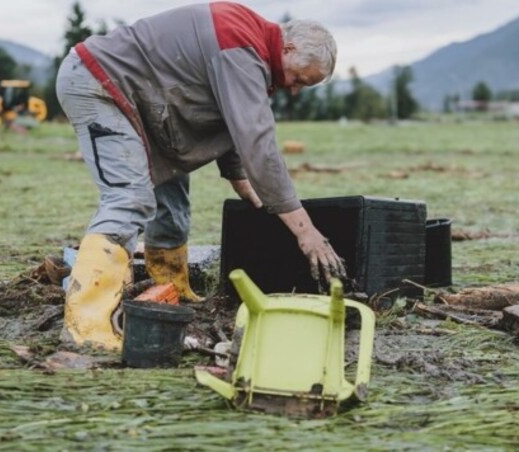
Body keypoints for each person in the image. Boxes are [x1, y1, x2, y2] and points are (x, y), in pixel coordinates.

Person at [55, 1, 346, 350]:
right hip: (99, 83)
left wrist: (242, 183)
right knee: (129, 198)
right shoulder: (240, 47)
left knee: (172, 198)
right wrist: (305, 231)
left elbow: (234, 120)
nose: (295, 89)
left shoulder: (249, 48)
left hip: (146, 105)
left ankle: (168, 287)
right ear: (289, 47)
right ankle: (86, 324)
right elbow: (258, 142)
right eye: (299, 78)